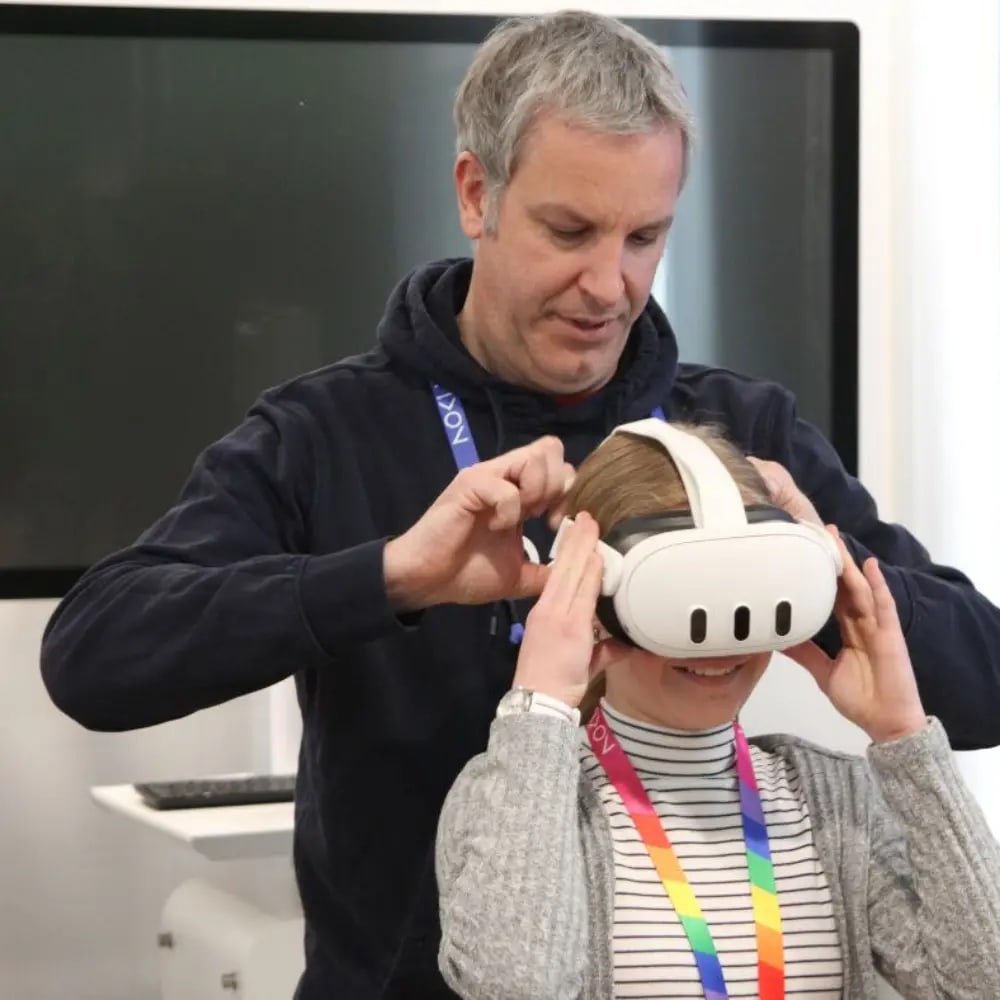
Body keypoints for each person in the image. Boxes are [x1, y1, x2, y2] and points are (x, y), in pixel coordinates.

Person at [38, 9, 1000, 999]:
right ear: (475, 193)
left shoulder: (738, 432)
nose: (607, 284)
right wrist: (390, 577)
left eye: (645, 236)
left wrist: (822, 567)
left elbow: (984, 681)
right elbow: (96, 658)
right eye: (568, 230)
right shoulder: (324, 433)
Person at [436, 422, 1000, 1000]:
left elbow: (982, 982)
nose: (721, 646)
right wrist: (541, 707)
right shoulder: (519, 797)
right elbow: (516, 986)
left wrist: (904, 736)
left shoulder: (839, 801)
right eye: (681, 605)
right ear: (598, 598)